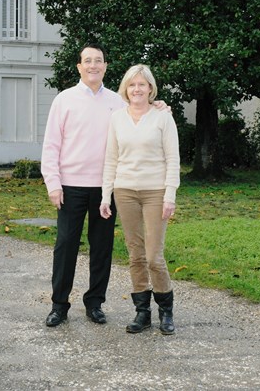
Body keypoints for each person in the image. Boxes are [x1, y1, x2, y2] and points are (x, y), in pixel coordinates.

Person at [40, 44, 125, 327]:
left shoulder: (117, 102)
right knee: (66, 246)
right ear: (79, 67)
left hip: (104, 189)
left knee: (102, 247)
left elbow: (141, 116)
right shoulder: (64, 100)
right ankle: (59, 305)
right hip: (70, 186)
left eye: (98, 61)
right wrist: (53, 184)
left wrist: (160, 106)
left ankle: (95, 303)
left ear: (105, 66)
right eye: (87, 61)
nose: (93, 65)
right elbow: (51, 145)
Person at [100, 64, 180, 335]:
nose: (136, 89)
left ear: (150, 89)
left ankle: (165, 312)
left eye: (142, 84)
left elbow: (173, 159)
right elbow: (111, 158)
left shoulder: (162, 117)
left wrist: (170, 195)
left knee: (154, 257)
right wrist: (105, 195)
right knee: (135, 255)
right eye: (132, 84)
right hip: (125, 192)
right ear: (126, 88)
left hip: (155, 192)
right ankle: (142, 312)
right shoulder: (117, 118)